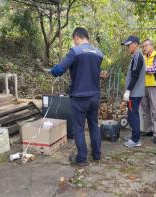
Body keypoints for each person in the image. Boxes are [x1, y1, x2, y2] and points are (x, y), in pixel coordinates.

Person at [50, 27, 103, 166]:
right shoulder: (99, 53)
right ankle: (97, 155)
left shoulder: (75, 51)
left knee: (79, 128)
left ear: (77, 37)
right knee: (93, 125)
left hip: (79, 97)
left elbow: (59, 70)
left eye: (74, 40)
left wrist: (52, 70)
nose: (74, 42)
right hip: (95, 97)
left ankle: (82, 159)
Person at [122, 36, 145, 147]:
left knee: (133, 115)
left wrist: (128, 90)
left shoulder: (138, 57)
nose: (128, 47)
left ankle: (136, 140)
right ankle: (134, 136)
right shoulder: (135, 56)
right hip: (134, 92)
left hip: (134, 93)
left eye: (129, 45)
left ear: (135, 44)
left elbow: (135, 76)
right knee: (131, 114)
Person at [141, 39, 156, 144]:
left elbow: (155, 69)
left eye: (145, 46)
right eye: (143, 46)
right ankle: (148, 130)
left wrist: (143, 68)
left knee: (155, 110)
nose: (144, 48)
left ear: (151, 46)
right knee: (145, 110)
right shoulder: (143, 57)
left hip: (154, 86)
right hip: (143, 86)